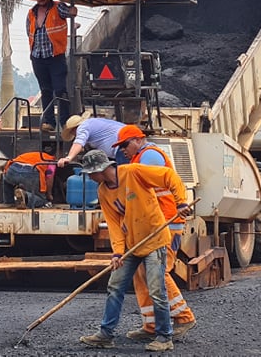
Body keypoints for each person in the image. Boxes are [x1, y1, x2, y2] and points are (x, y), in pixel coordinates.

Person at [78, 149, 191, 353]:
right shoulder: (103, 191)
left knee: (157, 289)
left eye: (91, 173)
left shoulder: (133, 172)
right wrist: (117, 253)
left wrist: (180, 202)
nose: (90, 177)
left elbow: (169, 176)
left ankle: (165, 337)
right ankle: (106, 334)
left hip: (154, 240)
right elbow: (113, 224)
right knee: (115, 287)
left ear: (101, 169)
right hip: (131, 244)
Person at [111, 125, 197, 341]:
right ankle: (151, 325)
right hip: (155, 223)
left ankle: (183, 317)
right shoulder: (138, 158)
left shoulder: (149, 156)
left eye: (124, 145)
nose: (122, 150)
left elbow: (146, 192)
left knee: (159, 272)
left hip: (165, 222)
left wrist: (180, 203)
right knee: (142, 274)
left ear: (137, 140)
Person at [25, 0, 77, 133]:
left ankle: (65, 121)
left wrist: (72, 11)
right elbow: (29, 32)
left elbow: (70, 12)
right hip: (38, 57)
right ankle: (49, 122)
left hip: (55, 56)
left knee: (60, 89)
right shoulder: (31, 13)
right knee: (45, 90)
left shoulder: (57, 7)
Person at [56, 115, 126, 167]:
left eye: (72, 134)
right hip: (128, 142)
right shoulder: (93, 123)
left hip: (122, 146)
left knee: (124, 175)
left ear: (74, 129)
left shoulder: (82, 127)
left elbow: (79, 142)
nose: (74, 136)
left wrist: (69, 157)